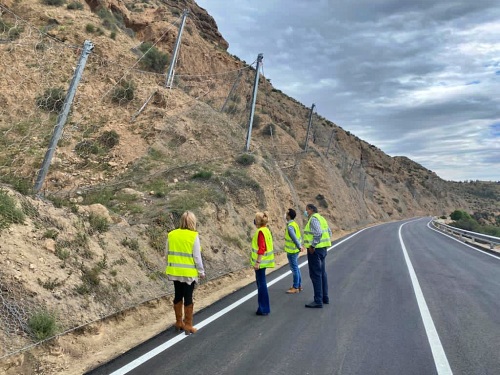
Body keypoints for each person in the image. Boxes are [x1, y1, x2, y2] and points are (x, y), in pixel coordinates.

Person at [165, 211, 205, 334]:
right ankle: (188, 325)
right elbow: (197, 257)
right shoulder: (193, 236)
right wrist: (201, 271)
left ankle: (178, 322)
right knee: (188, 298)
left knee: (177, 295)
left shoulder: (171, 234)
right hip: (188, 274)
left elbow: (166, 253)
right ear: (193, 222)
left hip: (175, 272)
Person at [303, 203, 332, 308]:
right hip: (323, 248)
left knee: (315, 275)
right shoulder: (322, 218)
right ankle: (325, 297)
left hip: (315, 251)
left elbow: (318, 232)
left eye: (306, 210)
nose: (305, 212)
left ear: (310, 210)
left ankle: (318, 300)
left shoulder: (314, 219)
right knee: (322, 273)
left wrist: (313, 245)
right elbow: (329, 232)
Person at [250, 211, 275, 316]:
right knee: (261, 284)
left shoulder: (260, 232)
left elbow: (262, 248)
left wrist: (257, 262)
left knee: (261, 285)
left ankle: (263, 308)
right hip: (264, 262)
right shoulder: (266, 230)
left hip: (261, 263)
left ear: (258, 221)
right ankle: (262, 307)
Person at [284, 208, 305, 294]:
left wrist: (299, 246)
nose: (285, 215)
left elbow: (294, 237)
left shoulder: (290, 226)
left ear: (289, 216)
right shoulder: (294, 224)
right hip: (295, 250)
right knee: (296, 268)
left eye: (286, 213)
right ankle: (299, 285)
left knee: (294, 269)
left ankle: (295, 287)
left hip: (292, 251)